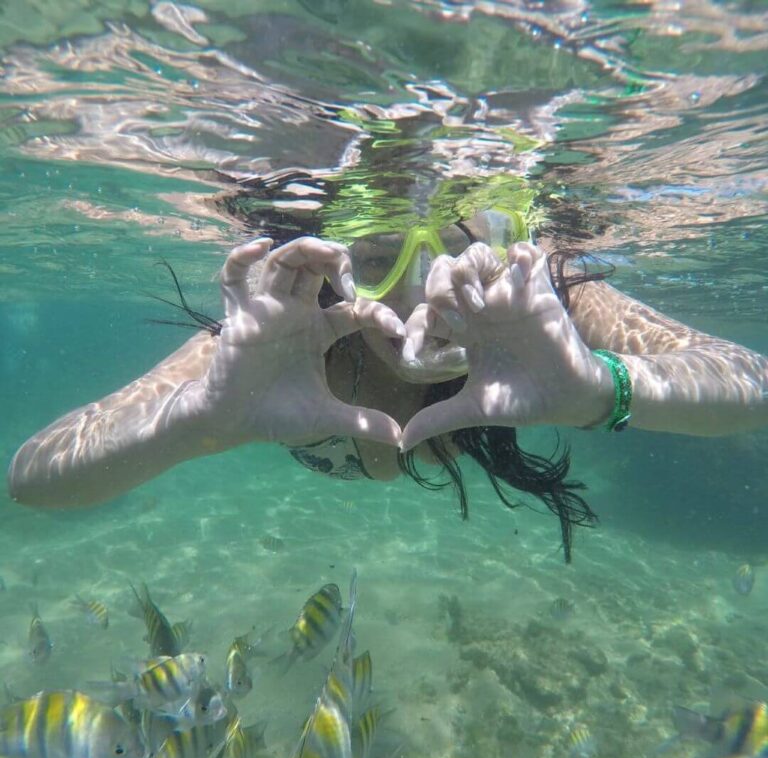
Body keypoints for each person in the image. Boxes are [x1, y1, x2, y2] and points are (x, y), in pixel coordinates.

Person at [7, 136, 768, 564]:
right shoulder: (291, 326)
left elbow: (752, 383)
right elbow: (35, 478)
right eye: (377, 260)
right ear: (333, 258)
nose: (417, 300)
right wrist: (195, 421)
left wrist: (606, 388)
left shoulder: (540, 294)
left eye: (455, 254)